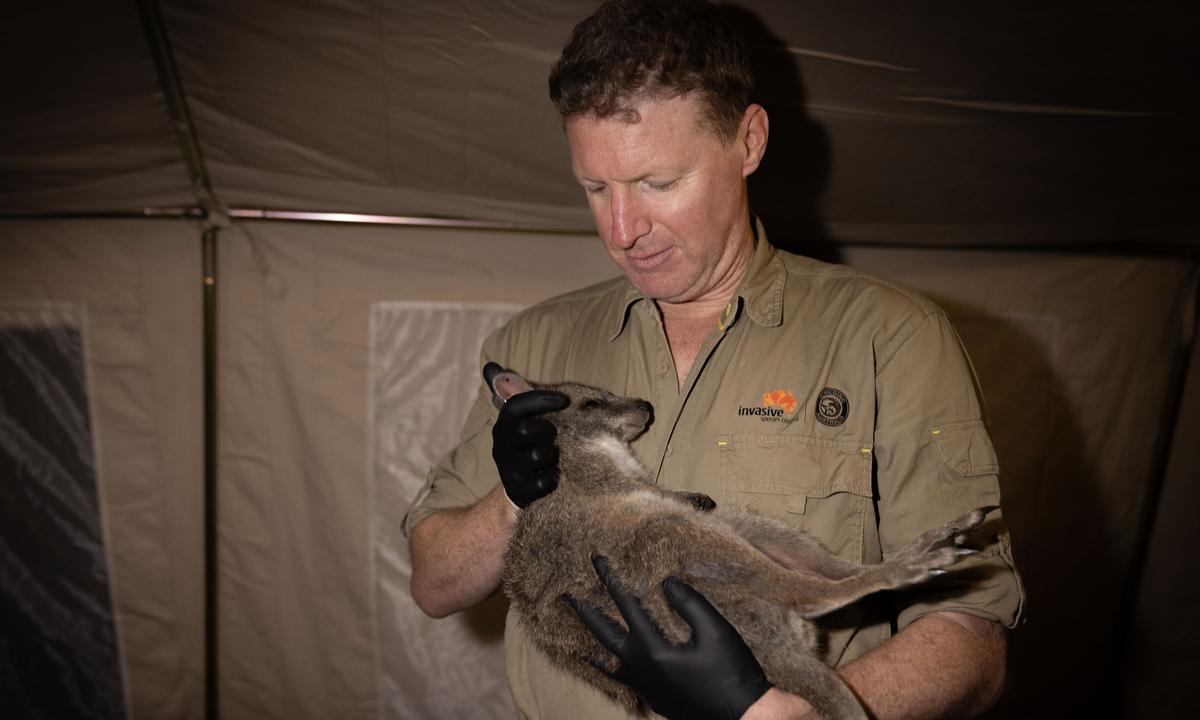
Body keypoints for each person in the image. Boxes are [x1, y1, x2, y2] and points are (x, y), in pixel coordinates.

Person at [403, 1, 1024, 718]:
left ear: (748, 140)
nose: (623, 230)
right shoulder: (535, 344)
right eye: (595, 189)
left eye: (658, 184)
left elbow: (973, 640)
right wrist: (511, 498)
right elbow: (433, 584)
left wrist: (794, 715)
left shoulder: (889, 337)